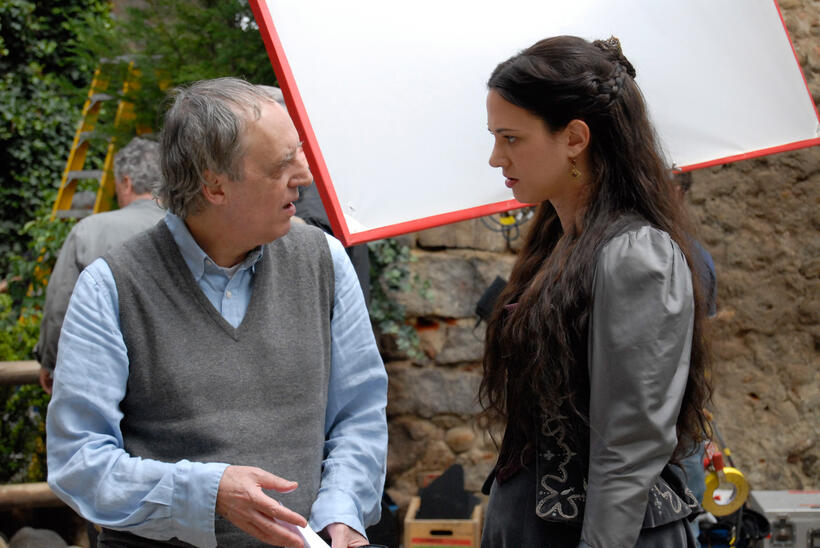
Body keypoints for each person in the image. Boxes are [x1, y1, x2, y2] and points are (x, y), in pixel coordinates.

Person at [46, 77, 388, 548]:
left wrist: (342, 513)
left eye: (300, 153)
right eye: (281, 164)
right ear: (214, 184)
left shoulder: (324, 261)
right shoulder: (111, 286)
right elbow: (78, 460)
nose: (306, 175)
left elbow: (358, 415)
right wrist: (204, 494)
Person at [479, 36, 711, 548]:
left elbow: (629, 446)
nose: (496, 157)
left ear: (575, 138)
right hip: (531, 527)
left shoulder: (635, 254)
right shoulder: (557, 243)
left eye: (511, 138)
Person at [34, 137, 166, 394]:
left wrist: (51, 363)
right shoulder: (191, 229)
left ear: (126, 182)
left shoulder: (89, 230)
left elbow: (62, 305)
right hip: (171, 383)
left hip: (102, 380)